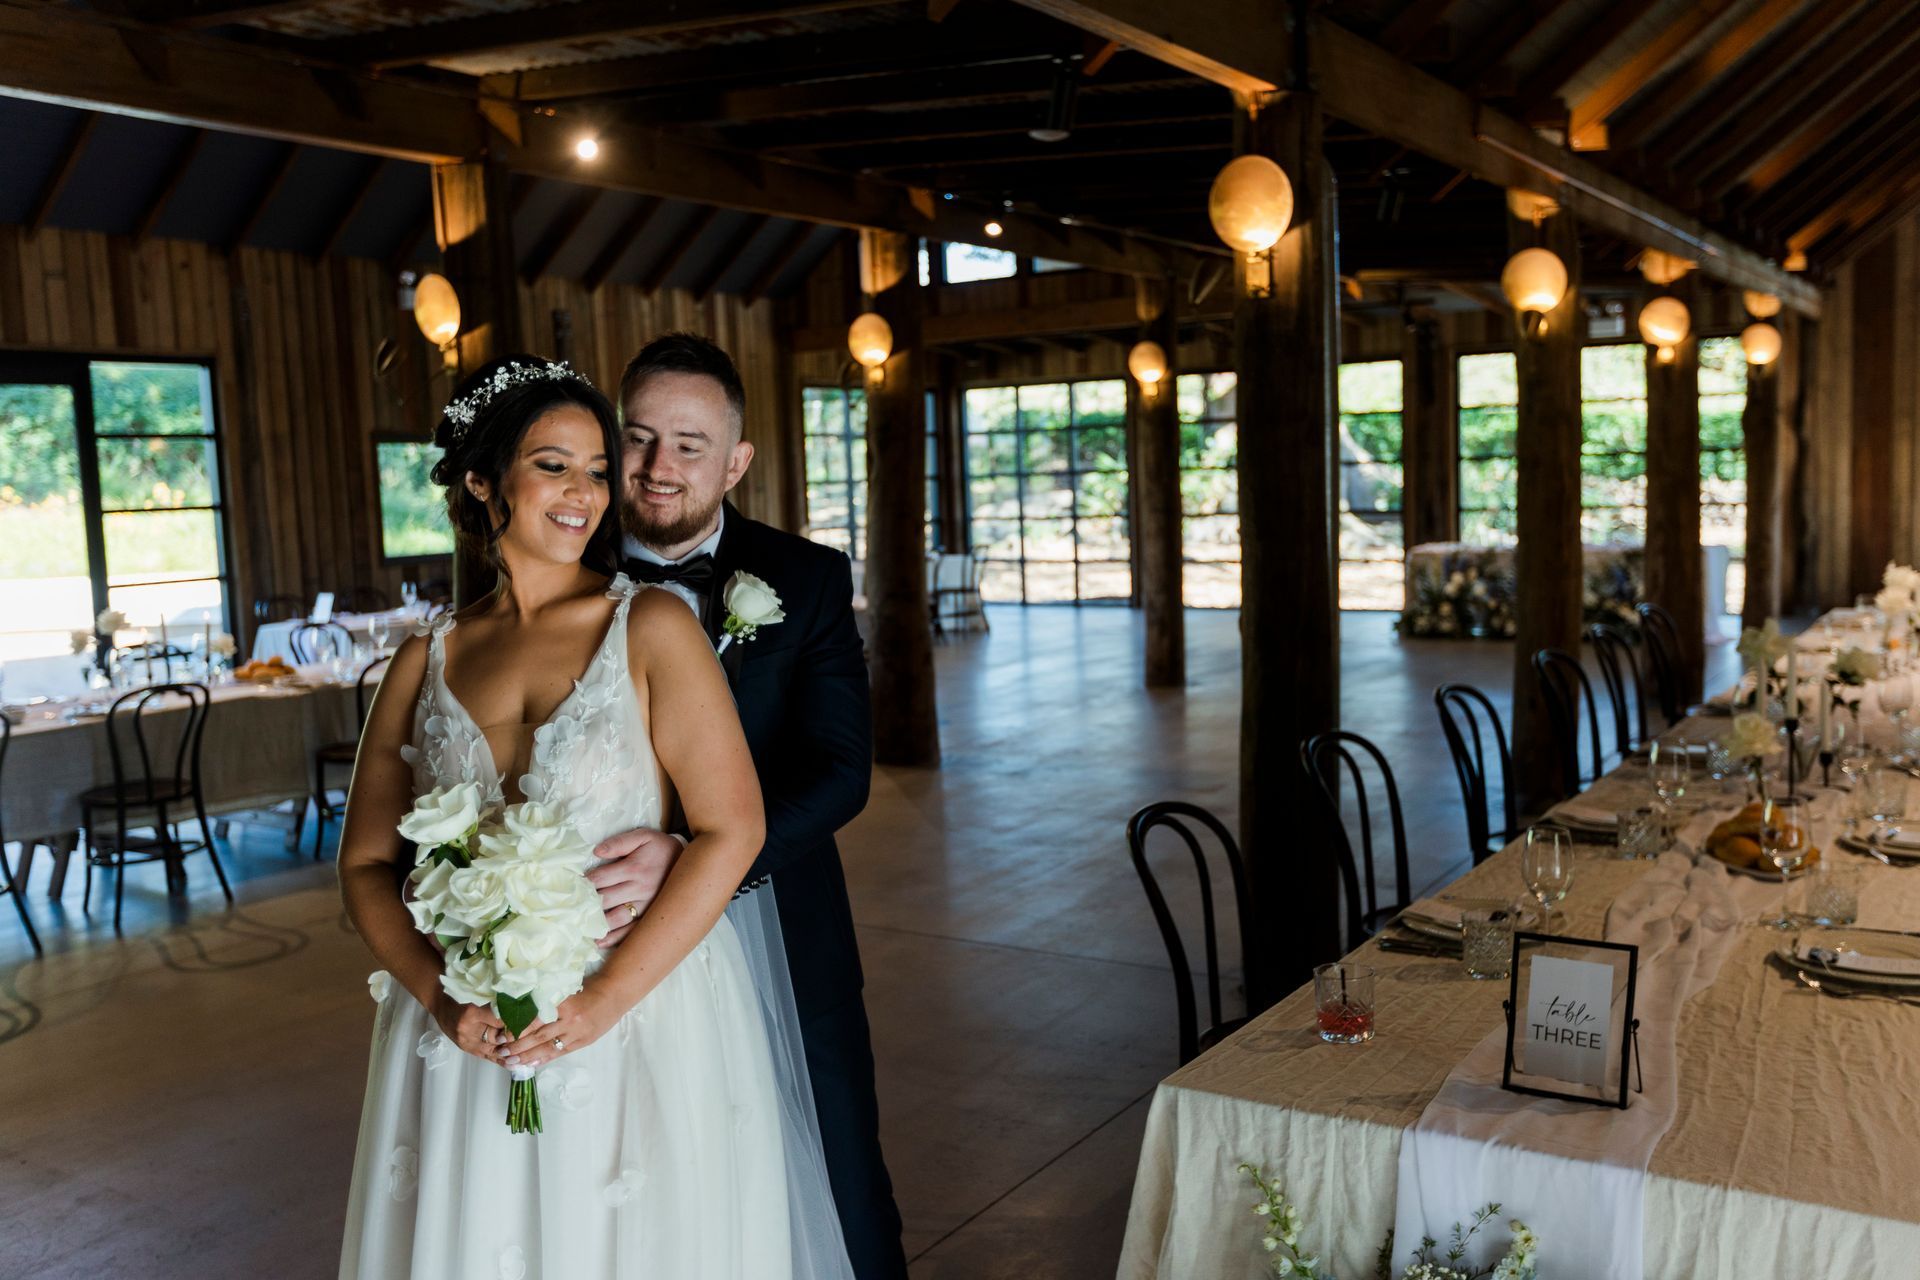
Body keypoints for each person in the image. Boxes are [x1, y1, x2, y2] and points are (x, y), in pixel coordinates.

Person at [336, 355, 853, 1279]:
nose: (584, 493)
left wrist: (602, 1004)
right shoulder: (423, 662)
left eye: (596, 471)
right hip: (468, 1023)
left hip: (637, 1009)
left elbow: (731, 830)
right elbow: (366, 867)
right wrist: (442, 998)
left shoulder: (651, 625)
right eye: (552, 465)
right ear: (483, 481)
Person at [589, 333, 908, 1279]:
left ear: (736, 462)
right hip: (602, 921)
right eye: (639, 438)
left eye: (689, 445)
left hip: (777, 913)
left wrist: (694, 851)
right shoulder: (558, 571)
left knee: (837, 1162)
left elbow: (843, 769)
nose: (656, 469)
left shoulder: (805, 578)